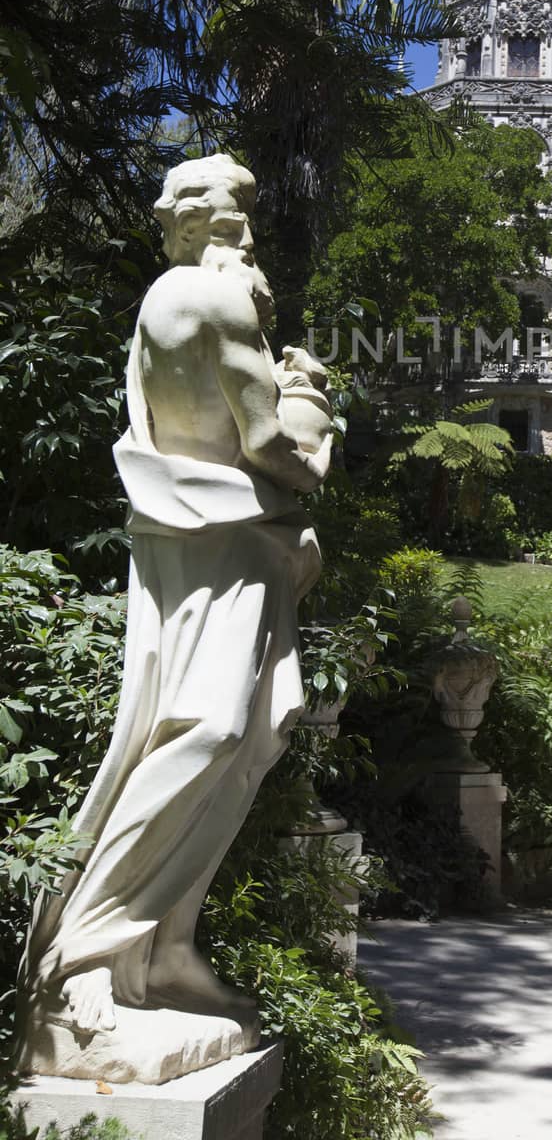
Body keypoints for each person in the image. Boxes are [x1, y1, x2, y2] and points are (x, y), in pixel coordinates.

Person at [18, 154, 332, 1082]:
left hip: (236, 536)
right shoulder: (209, 297)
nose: (242, 237)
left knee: (263, 725)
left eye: (244, 219)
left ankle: (162, 946)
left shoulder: (185, 295)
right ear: (191, 227)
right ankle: (81, 958)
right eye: (226, 221)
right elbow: (269, 442)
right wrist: (315, 433)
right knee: (211, 726)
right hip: (216, 527)